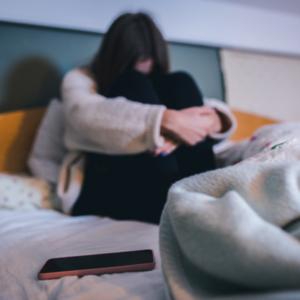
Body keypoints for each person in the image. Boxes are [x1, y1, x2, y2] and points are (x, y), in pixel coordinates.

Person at [61, 12, 236, 223]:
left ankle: (205, 198)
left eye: (150, 71)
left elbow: (216, 111)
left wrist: (195, 124)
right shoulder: (81, 79)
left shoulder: (165, 85)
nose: (146, 75)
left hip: (165, 186)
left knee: (180, 82)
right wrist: (166, 121)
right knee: (132, 82)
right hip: (108, 184)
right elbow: (84, 116)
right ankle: (184, 209)